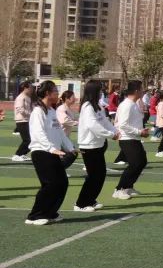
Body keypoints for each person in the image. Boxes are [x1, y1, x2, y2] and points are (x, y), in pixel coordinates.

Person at [25, 81, 77, 225]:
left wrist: (70, 147)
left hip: (53, 152)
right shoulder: (38, 111)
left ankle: (50, 212)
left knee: (62, 183)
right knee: (50, 184)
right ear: (47, 93)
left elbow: (59, 132)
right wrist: (51, 148)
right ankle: (35, 216)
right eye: (55, 90)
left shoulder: (52, 111)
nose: (57, 93)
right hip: (41, 152)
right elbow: (38, 133)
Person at [75, 80, 119, 211]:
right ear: (94, 91)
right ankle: (81, 204)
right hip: (88, 145)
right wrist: (110, 135)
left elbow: (105, 122)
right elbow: (93, 125)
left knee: (100, 174)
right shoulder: (87, 106)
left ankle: (91, 200)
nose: (101, 92)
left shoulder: (98, 106)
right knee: (93, 175)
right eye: (100, 90)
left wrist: (115, 131)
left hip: (98, 144)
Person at [112, 81, 149, 200]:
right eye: (142, 89)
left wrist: (141, 131)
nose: (143, 91)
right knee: (135, 163)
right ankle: (119, 189)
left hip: (134, 137)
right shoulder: (127, 105)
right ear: (137, 91)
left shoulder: (134, 104)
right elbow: (122, 124)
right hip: (127, 138)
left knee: (142, 162)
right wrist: (139, 132)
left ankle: (128, 186)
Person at [11, 80, 34, 162]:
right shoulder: (21, 97)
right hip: (22, 121)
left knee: (32, 139)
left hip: (27, 120)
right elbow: (20, 109)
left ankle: (22, 154)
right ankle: (17, 155)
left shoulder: (28, 97)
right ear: (25, 88)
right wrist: (31, 114)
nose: (32, 89)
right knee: (27, 139)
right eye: (30, 87)